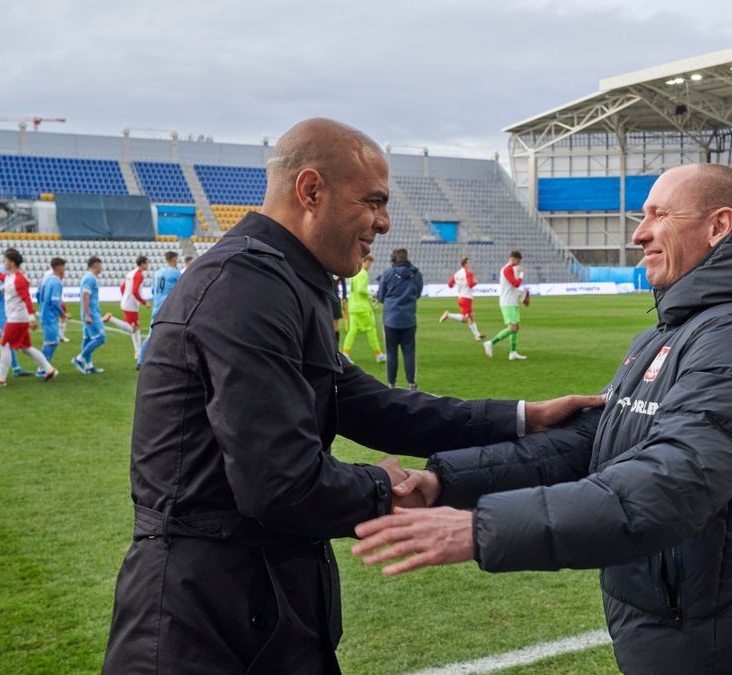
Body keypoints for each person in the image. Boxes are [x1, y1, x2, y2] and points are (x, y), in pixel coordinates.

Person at [101, 118, 602, 675]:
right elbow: (280, 484)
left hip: (258, 597)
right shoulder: (246, 287)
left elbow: (366, 403)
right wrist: (385, 489)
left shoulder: (286, 279)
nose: (385, 223)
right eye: (373, 202)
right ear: (311, 190)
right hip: (202, 616)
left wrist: (520, 417)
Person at [354, 164, 732, 675]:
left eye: (658, 216)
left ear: (718, 226)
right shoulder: (673, 331)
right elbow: (592, 442)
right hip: (670, 623)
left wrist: (482, 531)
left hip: (715, 640)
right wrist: (445, 481)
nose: (639, 233)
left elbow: (674, 481)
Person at [0, 249, 58, 386]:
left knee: (3, 344)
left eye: (5, 260)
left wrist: (32, 319)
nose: (3, 263)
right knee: (26, 347)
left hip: (16, 319)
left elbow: (27, 299)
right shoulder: (10, 277)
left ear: (12, 262)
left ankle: (0, 379)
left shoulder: (19, 279)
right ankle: (49, 369)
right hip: (17, 318)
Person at [376, 248, 423, 389]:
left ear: (394, 258)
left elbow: (381, 296)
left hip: (391, 319)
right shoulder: (415, 274)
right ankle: (411, 383)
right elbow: (418, 293)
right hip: (408, 318)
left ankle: (391, 383)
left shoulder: (388, 273)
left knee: (391, 352)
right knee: (409, 351)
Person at [137, 251, 181, 368]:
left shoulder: (157, 273)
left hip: (157, 306)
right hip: (169, 307)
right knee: (174, 333)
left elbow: (153, 291)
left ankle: (141, 361)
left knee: (152, 334)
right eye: (176, 259)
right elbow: (182, 289)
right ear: (173, 259)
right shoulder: (176, 273)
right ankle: (170, 359)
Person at [483, 251, 528, 361]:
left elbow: (514, 287)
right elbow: (515, 283)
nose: (518, 264)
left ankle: (513, 352)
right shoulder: (507, 269)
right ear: (512, 259)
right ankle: (490, 343)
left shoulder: (513, 269)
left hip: (513, 301)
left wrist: (522, 295)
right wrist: (522, 274)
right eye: (517, 261)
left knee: (516, 327)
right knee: (512, 328)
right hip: (507, 302)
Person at [341, 253, 385, 363]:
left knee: (353, 331)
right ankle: (379, 354)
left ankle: (345, 353)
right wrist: (371, 294)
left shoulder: (355, 273)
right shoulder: (363, 273)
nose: (370, 265)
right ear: (365, 262)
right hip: (362, 308)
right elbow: (361, 289)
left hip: (353, 306)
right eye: (369, 263)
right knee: (371, 330)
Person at [108, 255, 149, 361]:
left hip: (126, 302)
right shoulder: (139, 275)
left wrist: (125, 297)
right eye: (147, 263)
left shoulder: (130, 273)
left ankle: (138, 352)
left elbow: (122, 287)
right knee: (133, 329)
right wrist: (144, 303)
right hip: (131, 305)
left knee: (136, 327)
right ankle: (111, 319)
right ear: (142, 264)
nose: (148, 265)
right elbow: (135, 291)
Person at [73, 256, 107, 374]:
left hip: (91, 312)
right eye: (100, 265)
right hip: (91, 313)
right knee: (100, 338)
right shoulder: (90, 279)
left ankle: (89, 366)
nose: (101, 267)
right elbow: (85, 296)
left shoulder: (89, 278)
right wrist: (88, 315)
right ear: (95, 265)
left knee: (87, 339)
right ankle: (79, 359)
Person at [36, 257, 69, 375]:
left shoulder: (46, 279)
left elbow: (38, 294)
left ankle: (44, 367)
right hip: (50, 317)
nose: (64, 269)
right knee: (52, 342)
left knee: (50, 342)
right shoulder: (56, 282)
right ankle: (42, 369)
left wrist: (42, 307)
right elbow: (55, 302)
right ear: (59, 267)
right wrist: (63, 314)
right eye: (63, 266)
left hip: (45, 314)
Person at [440, 256, 484, 341]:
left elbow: (449, 284)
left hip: (460, 297)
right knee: (465, 319)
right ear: (466, 264)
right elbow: (471, 284)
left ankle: (477, 335)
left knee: (471, 316)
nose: (469, 264)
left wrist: (458, 284)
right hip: (467, 298)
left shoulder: (456, 274)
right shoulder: (469, 273)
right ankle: (448, 315)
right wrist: (476, 282)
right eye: (468, 262)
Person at [331, 274, 348, 346]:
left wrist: (344, 297)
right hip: (324, 298)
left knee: (335, 325)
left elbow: (343, 283)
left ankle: (335, 346)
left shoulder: (336, 267)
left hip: (335, 299)